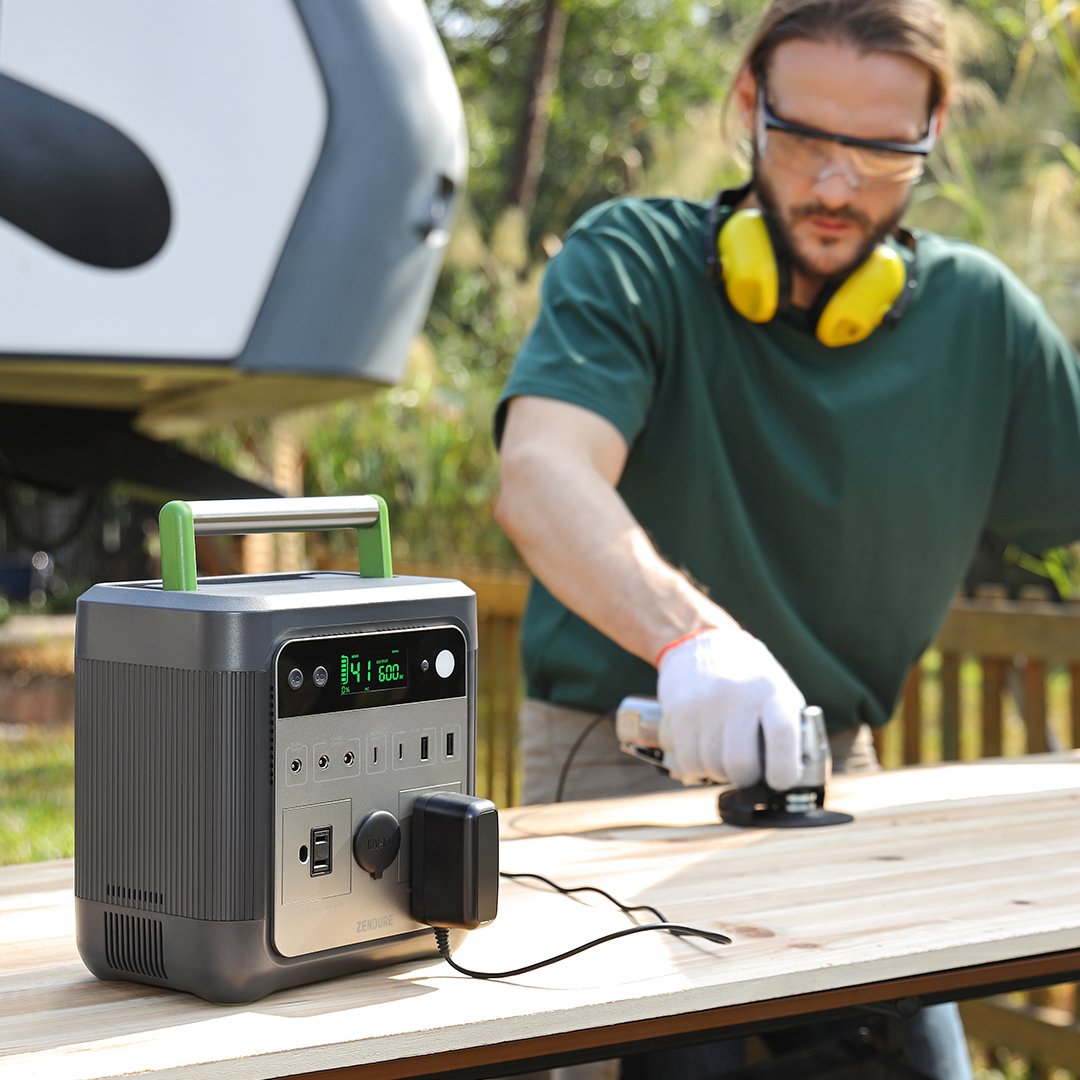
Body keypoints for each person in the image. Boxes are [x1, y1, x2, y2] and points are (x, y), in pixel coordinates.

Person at [493, 0, 1080, 1077]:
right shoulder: (636, 262)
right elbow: (541, 475)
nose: (835, 188)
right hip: (618, 760)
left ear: (935, 131)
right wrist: (690, 640)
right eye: (807, 141)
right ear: (751, 106)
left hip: (838, 775)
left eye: (881, 153)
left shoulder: (982, 322)